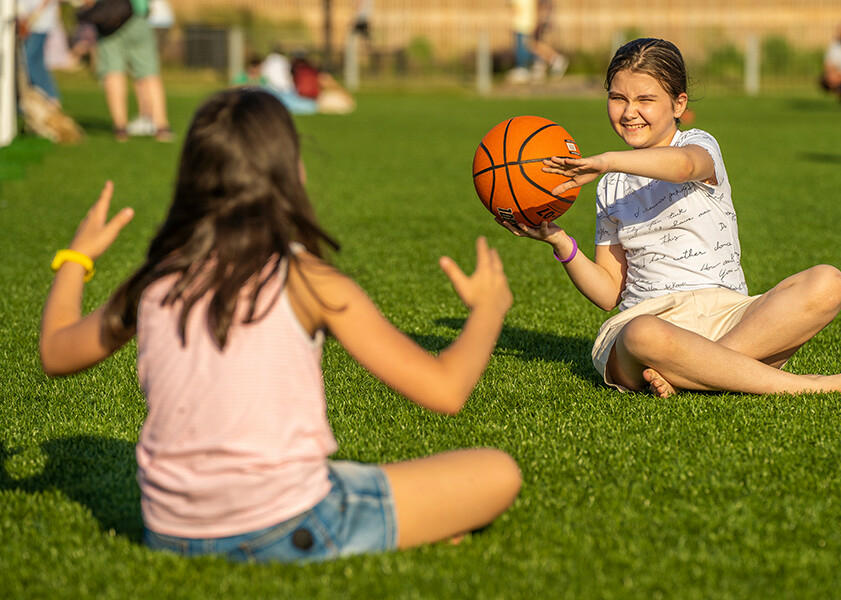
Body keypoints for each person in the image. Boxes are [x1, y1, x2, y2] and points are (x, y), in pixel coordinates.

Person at [38, 88, 521, 562]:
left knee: (351, 475)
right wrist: (488, 309)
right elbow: (446, 389)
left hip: (168, 533)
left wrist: (76, 259)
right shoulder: (307, 280)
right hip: (294, 525)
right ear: (291, 172)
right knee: (497, 472)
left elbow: (56, 352)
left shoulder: (156, 279)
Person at [498, 38, 841, 398]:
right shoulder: (609, 187)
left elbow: (684, 167)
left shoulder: (699, 145)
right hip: (652, 324)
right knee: (641, 335)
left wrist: (604, 160)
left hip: (729, 316)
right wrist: (559, 241)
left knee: (827, 282)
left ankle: (697, 370)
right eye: (618, 98)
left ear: (679, 105)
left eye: (645, 99)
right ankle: (803, 386)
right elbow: (608, 292)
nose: (630, 112)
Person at [86, 0, 172, 141]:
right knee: (149, 73)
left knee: (114, 72)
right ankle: (161, 127)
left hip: (108, 18)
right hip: (137, 16)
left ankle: (120, 128)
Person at [260, 50, 355, 115]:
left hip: (293, 98)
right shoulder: (311, 70)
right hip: (305, 101)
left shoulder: (294, 68)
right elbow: (326, 80)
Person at [16, 0, 63, 103]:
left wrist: (31, 17)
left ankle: (49, 96)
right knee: (37, 62)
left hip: (39, 25)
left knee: (28, 60)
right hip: (30, 23)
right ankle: (45, 97)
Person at [528, 0, 567, 82]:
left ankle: (556, 59)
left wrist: (543, 18)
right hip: (542, 18)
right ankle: (541, 65)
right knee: (535, 43)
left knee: (536, 44)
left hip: (543, 19)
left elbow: (545, 6)